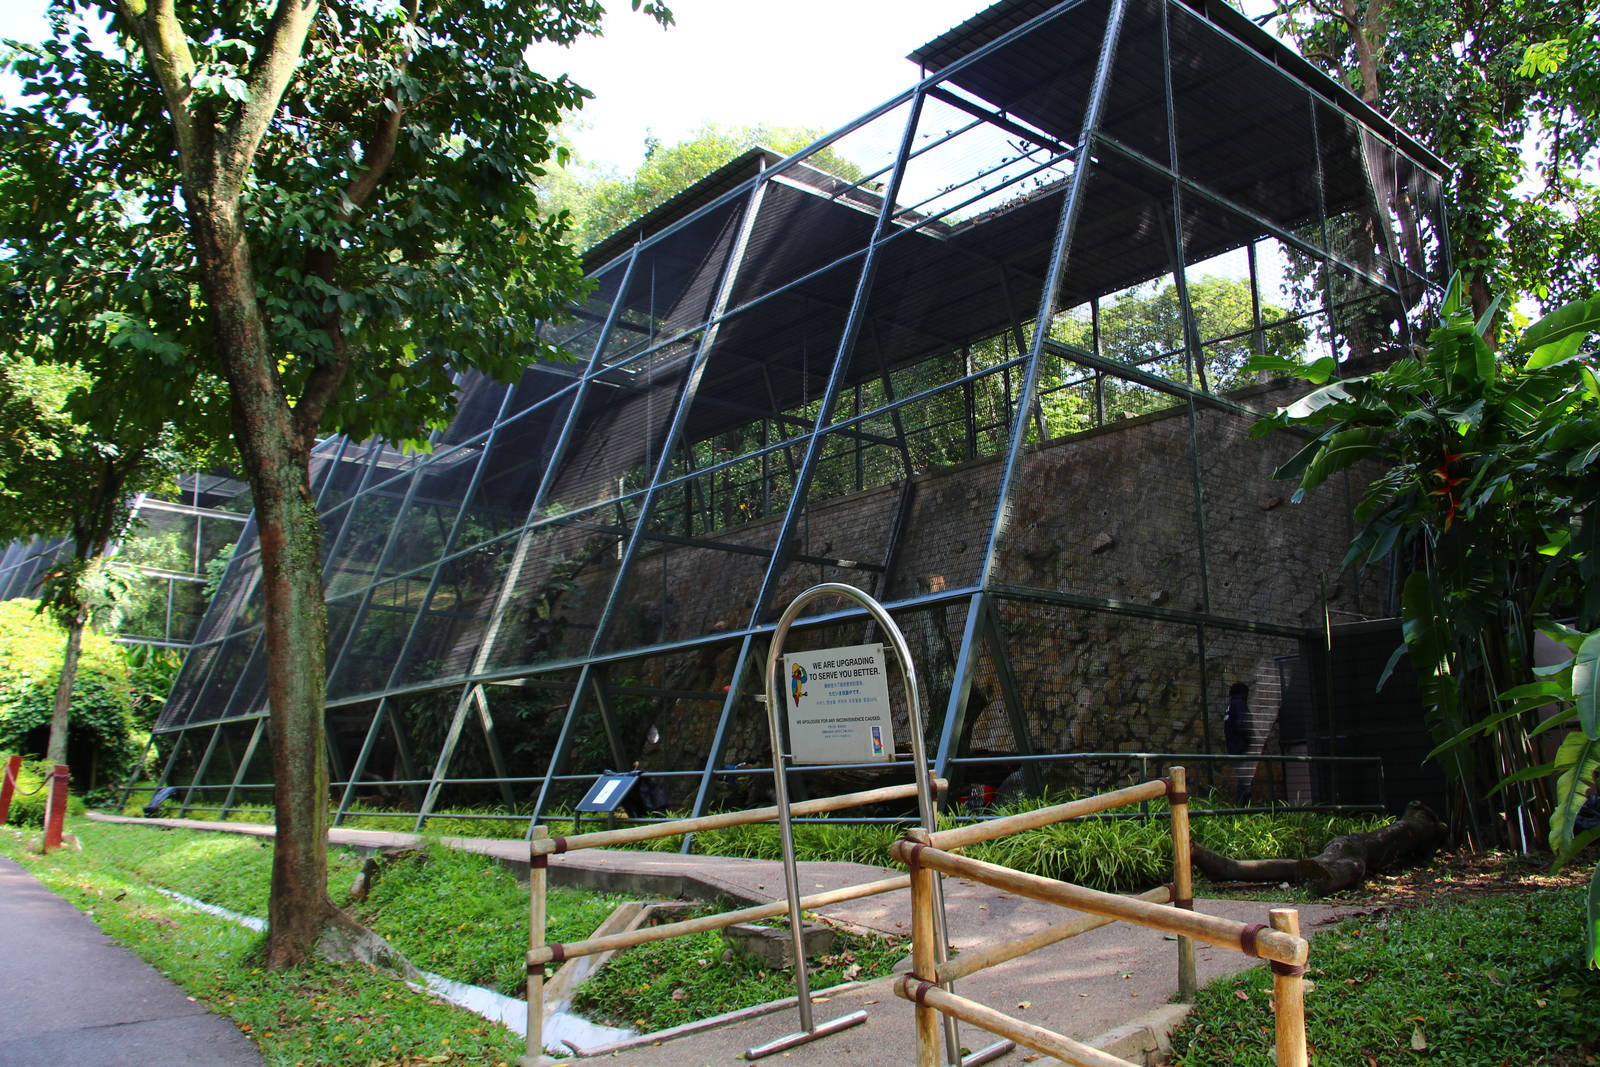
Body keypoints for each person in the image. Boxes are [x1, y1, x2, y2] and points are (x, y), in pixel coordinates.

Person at [1223, 682, 1251, 806]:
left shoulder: (1230, 706)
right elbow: (1243, 725)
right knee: (1245, 782)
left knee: (1243, 780)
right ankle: (1243, 809)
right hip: (1242, 748)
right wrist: (1251, 740)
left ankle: (1242, 809)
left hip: (1233, 747)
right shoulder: (1239, 704)